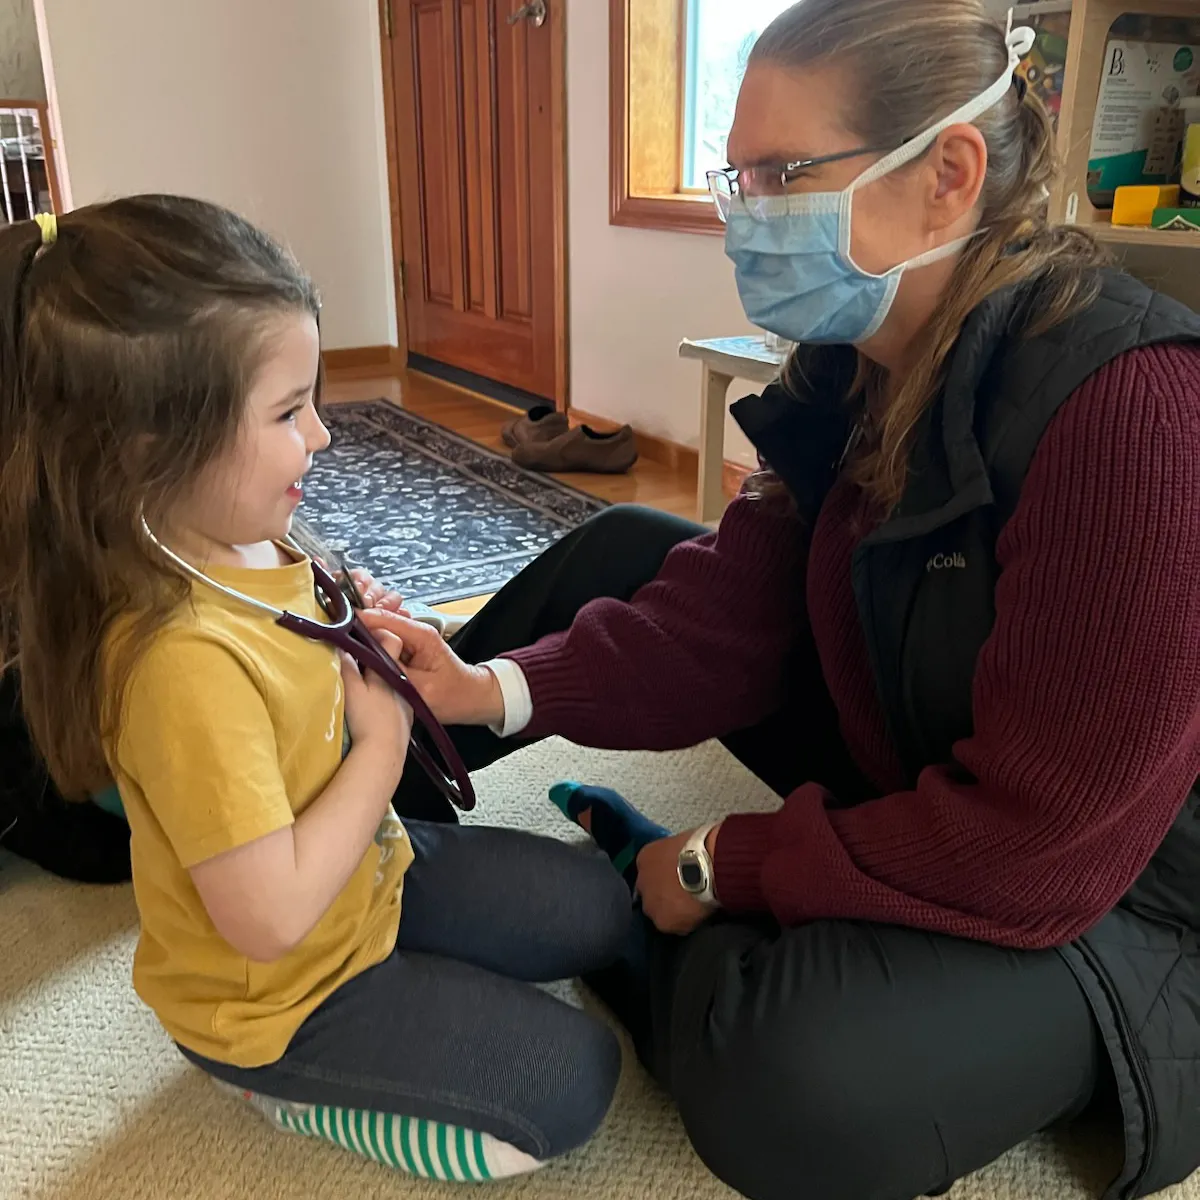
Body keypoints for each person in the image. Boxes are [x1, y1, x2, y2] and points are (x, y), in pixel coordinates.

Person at [369, 3, 1200, 1199]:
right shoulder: (848, 359)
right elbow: (726, 618)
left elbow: (1041, 846)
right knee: (625, 547)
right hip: (931, 756)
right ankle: (358, 791)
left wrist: (727, 862)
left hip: (1123, 891)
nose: (748, 215)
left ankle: (630, 906)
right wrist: (496, 688)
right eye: (738, 177)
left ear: (947, 176)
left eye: (783, 175)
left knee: (796, 1084)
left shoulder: (1135, 412)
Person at [0, 195, 631, 1183]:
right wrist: (380, 746)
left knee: (599, 909)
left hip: (369, 874)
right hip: (279, 992)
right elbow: (268, 917)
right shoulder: (177, 663)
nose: (326, 438)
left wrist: (355, 609)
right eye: (289, 413)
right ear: (147, 447)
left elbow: (298, 624)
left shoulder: (236, 535)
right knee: (572, 1081)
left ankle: (415, 989)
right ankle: (273, 1084)